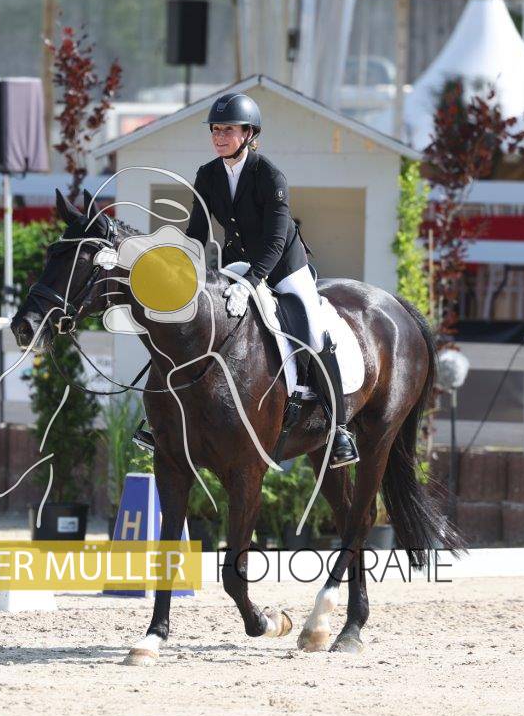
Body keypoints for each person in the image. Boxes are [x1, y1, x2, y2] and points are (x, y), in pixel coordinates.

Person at [132, 92, 359, 469]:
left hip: (285, 270)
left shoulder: (269, 176)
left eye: (228, 130)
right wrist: (175, 268)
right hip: (235, 267)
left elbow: (275, 242)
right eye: (215, 130)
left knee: (315, 332)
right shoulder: (208, 174)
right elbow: (196, 234)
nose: (219, 136)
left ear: (249, 134)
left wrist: (251, 282)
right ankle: (163, 422)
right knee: (187, 325)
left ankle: (340, 429)